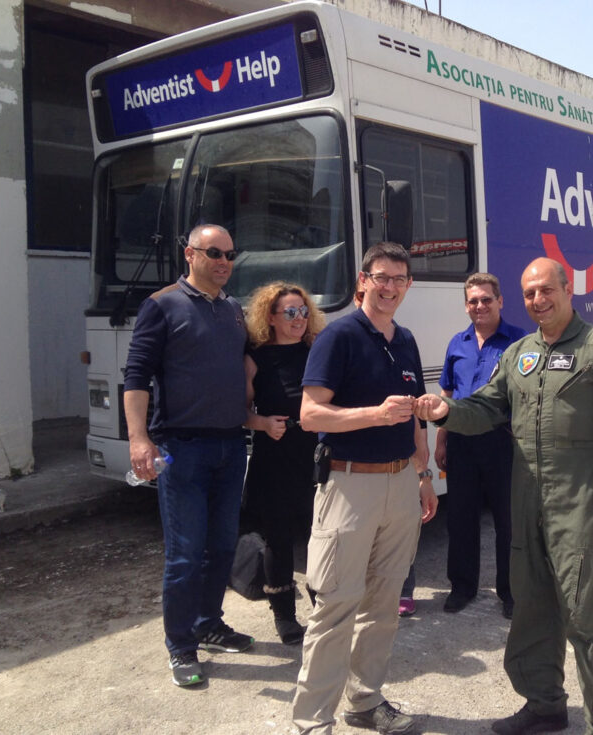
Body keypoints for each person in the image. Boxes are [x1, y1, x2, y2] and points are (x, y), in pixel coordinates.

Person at [415, 258, 593, 735]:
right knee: (533, 610)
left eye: (546, 290)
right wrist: (445, 411)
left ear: (567, 290)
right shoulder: (519, 353)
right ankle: (545, 706)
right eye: (529, 293)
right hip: (526, 502)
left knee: (588, 617)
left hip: (580, 504)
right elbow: (487, 407)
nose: (538, 300)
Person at [292, 242, 439, 735]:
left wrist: (423, 477)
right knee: (335, 606)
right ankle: (312, 720)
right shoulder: (339, 336)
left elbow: (414, 418)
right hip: (349, 484)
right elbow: (310, 414)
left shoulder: (406, 340)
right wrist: (374, 415)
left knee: (382, 606)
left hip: (400, 483)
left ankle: (365, 701)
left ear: (408, 285)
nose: (389, 287)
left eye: (399, 279)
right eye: (381, 277)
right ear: (363, 280)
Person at [123, 224, 253, 688]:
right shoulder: (161, 305)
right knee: (185, 554)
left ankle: (208, 624)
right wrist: (139, 440)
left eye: (230, 255)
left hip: (231, 446)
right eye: (214, 253)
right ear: (189, 254)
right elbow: (136, 376)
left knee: (222, 546)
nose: (223, 262)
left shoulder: (233, 309)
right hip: (181, 448)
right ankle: (181, 646)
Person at [436, 273, 526, 619]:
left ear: (500, 301)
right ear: (466, 306)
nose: (480, 306)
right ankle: (462, 587)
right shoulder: (456, 343)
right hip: (461, 442)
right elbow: (447, 392)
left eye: (486, 299)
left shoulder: (519, 341)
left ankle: (512, 591)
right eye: (473, 301)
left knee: (508, 520)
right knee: (460, 517)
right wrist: (441, 439)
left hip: (503, 442)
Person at [242, 282, 325, 644]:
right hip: (274, 455)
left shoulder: (317, 351)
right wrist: (261, 423)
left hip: (315, 454)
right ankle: (285, 617)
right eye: (290, 312)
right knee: (278, 539)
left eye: (303, 311)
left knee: (320, 535)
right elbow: (238, 410)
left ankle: (323, 608)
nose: (299, 318)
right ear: (271, 318)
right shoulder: (255, 358)